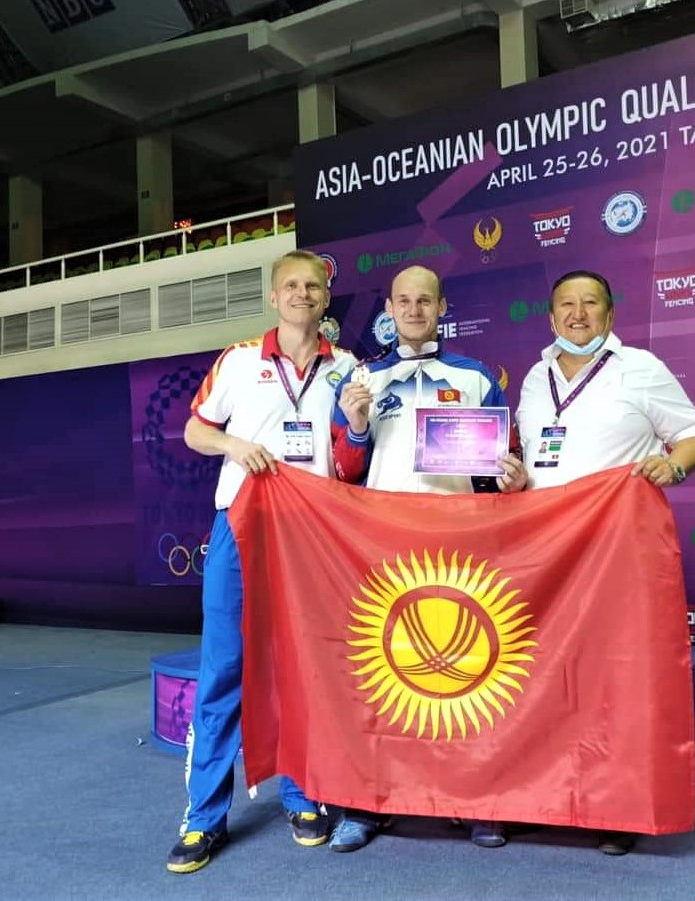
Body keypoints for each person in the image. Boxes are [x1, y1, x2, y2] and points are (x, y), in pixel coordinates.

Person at [166, 250, 357, 874]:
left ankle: (303, 796)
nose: (303, 294)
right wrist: (234, 444)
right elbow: (194, 431)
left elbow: (351, 459)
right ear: (274, 297)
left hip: (313, 536)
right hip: (241, 528)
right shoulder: (240, 359)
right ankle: (203, 816)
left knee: (304, 670)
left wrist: (356, 426)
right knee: (223, 669)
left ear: (326, 297)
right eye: (291, 286)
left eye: (313, 286)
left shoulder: (348, 367)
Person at [329, 264, 527, 851]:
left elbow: (502, 465)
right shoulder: (362, 378)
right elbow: (345, 472)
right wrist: (356, 424)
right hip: (381, 550)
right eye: (404, 301)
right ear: (389, 308)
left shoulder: (475, 377)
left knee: (467, 675)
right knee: (379, 677)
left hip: (458, 549)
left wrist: (509, 476)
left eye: (425, 301)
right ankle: (369, 804)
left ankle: (476, 801)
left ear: (442, 307)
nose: (414, 310)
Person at [516, 268, 695, 855]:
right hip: (547, 553)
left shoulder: (640, 368)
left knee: (615, 677)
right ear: (551, 317)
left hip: (616, 549)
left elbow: (694, 432)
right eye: (567, 305)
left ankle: (616, 806)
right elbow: (538, 458)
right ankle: (548, 794)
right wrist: (518, 479)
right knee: (548, 674)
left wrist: (673, 465)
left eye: (590, 304)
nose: (578, 315)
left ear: (610, 314)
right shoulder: (535, 377)